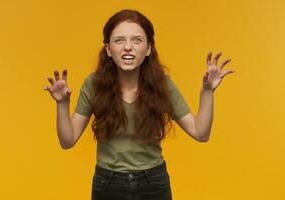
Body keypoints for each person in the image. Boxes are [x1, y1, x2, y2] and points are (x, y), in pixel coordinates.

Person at [44, 9, 234, 200]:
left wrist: (208, 91)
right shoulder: (93, 84)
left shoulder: (163, 85)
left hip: (153, 181)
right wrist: (62, 104)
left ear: (148, 48)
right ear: (108, 49)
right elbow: (68, 141)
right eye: (119, 40)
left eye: (137, 40)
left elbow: (200, 132)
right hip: (108, 183)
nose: (128, 47)